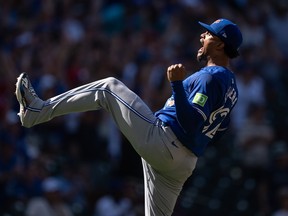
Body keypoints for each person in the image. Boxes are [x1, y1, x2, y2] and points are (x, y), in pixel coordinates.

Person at [15, 18, 242, 216]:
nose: (202, 35)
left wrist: (176, 85)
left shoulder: (210, 78)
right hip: (183, 164)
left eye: (209, 34)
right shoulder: (231, 86)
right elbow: (220, 132)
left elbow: (191, 123)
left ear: (220, 44)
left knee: (109, 87)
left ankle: (37, 110)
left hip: (165, 142)